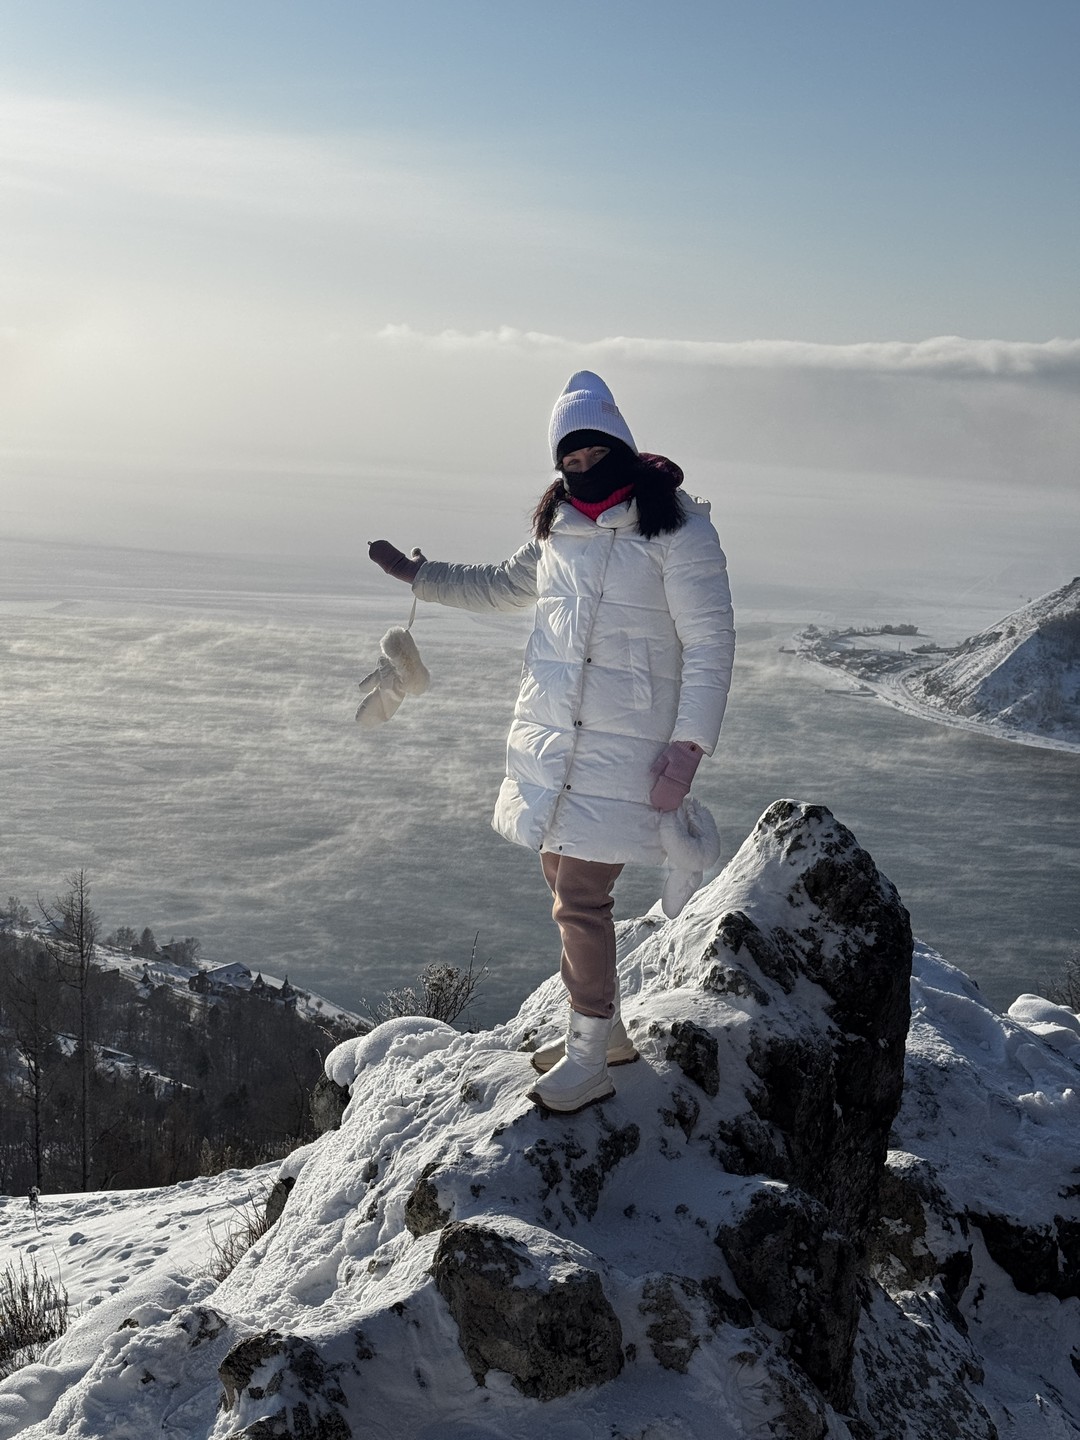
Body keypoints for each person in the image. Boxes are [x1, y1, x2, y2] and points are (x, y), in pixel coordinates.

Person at [369, 371, 735, 1114]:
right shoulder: (559, 530)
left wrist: (688, 749)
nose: (582, 468)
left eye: (595, 451)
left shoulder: (678, 534)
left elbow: (711, 643)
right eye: (568, 458)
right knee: (558, 878)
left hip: (631, 752)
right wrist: (419, 576)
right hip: (554, 751)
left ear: (623, 446)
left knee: (580, 897)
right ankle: (611, 1031)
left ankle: (588, 1057)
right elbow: (499, 585)